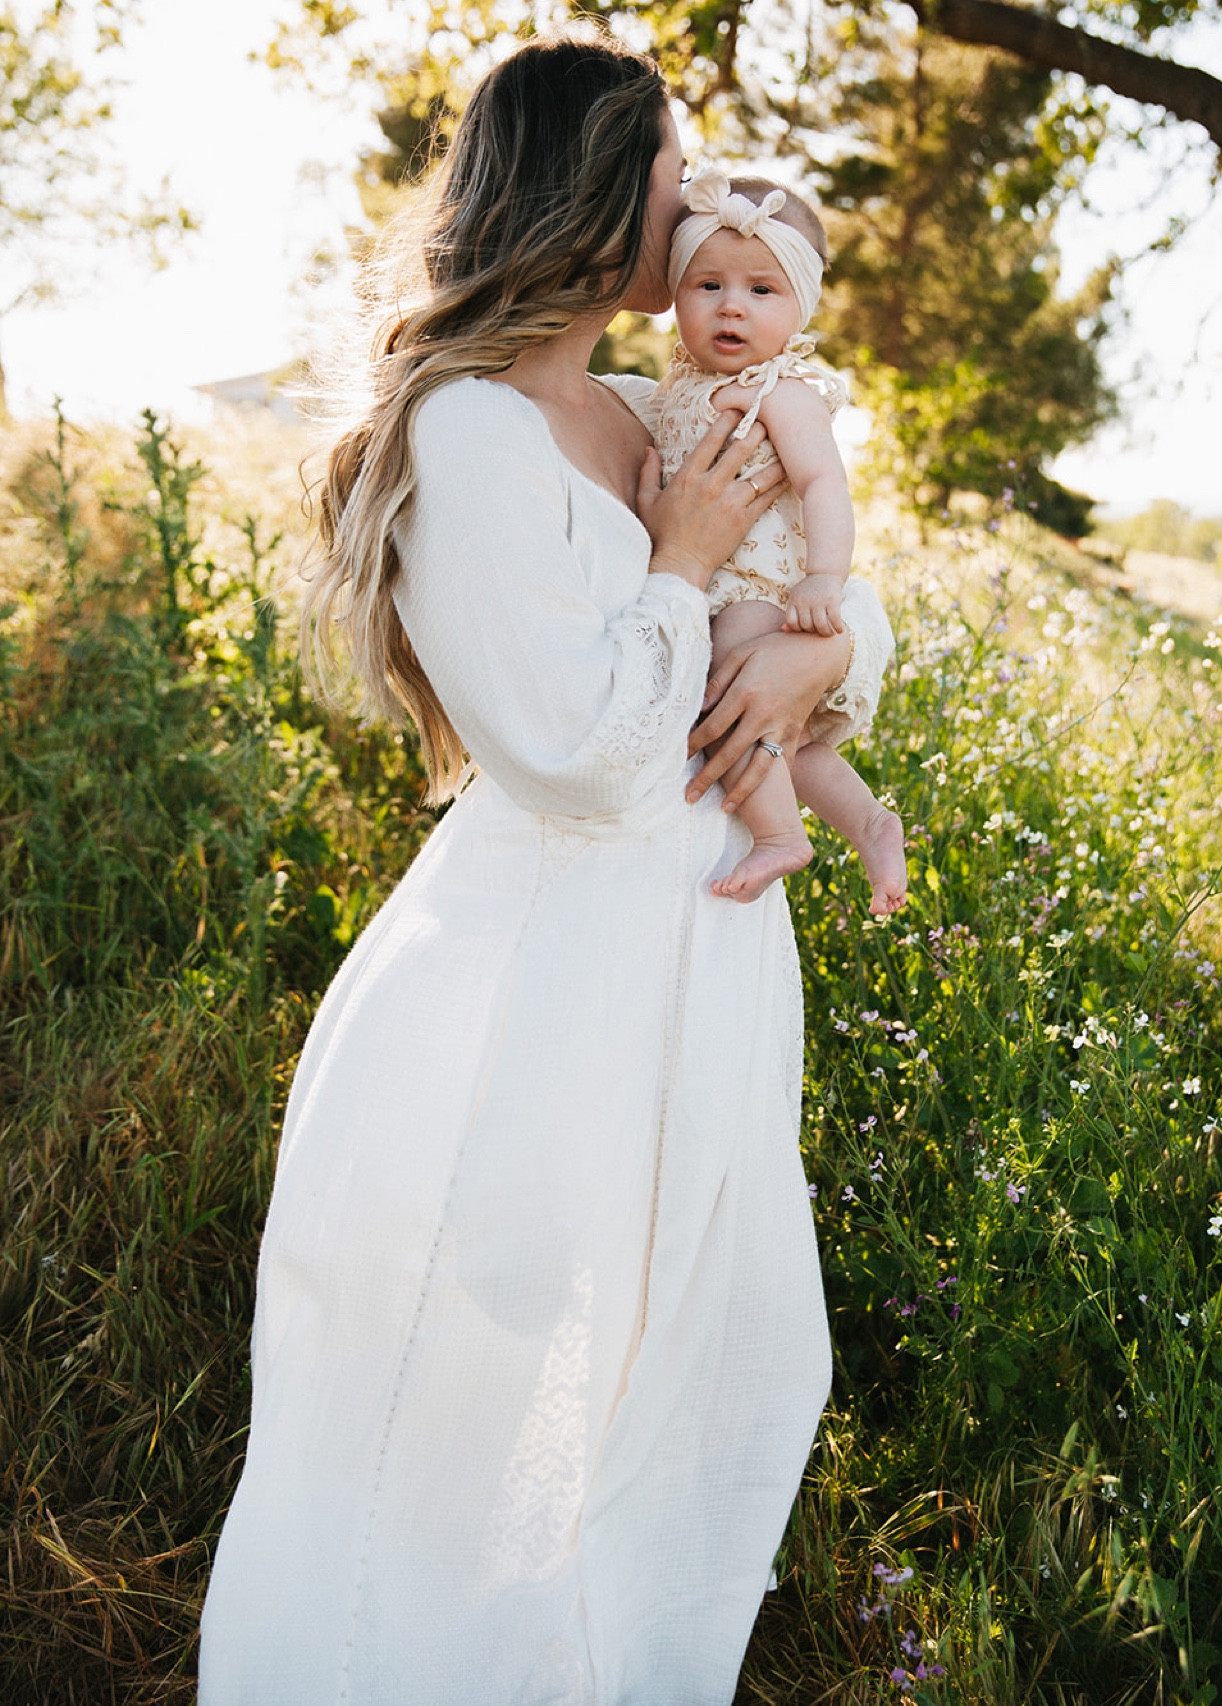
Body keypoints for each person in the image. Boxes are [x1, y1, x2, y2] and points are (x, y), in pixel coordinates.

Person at [198, 29, 893, 1706]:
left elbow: (820, 583)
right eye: (667, 170)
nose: (693, 196)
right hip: (539, 972)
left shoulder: (648, 400)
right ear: (594, 189)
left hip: (697, 961)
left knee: (682, 1360)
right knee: (469, 1377)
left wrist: (818, 655)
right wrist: (688, 563)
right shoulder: (472, 431)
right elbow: (578, 746)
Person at [640, 168, 907, 912]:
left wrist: (824, 578)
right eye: (707, 286)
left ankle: (780, 838)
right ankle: (869, 822)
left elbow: (825, 486)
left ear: (800, 306)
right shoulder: (664, 394)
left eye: (761, 290)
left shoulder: (783, 394)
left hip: (756, 588)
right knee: (792, 742)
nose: (732, 307)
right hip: (704, 579)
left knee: (734, 690)